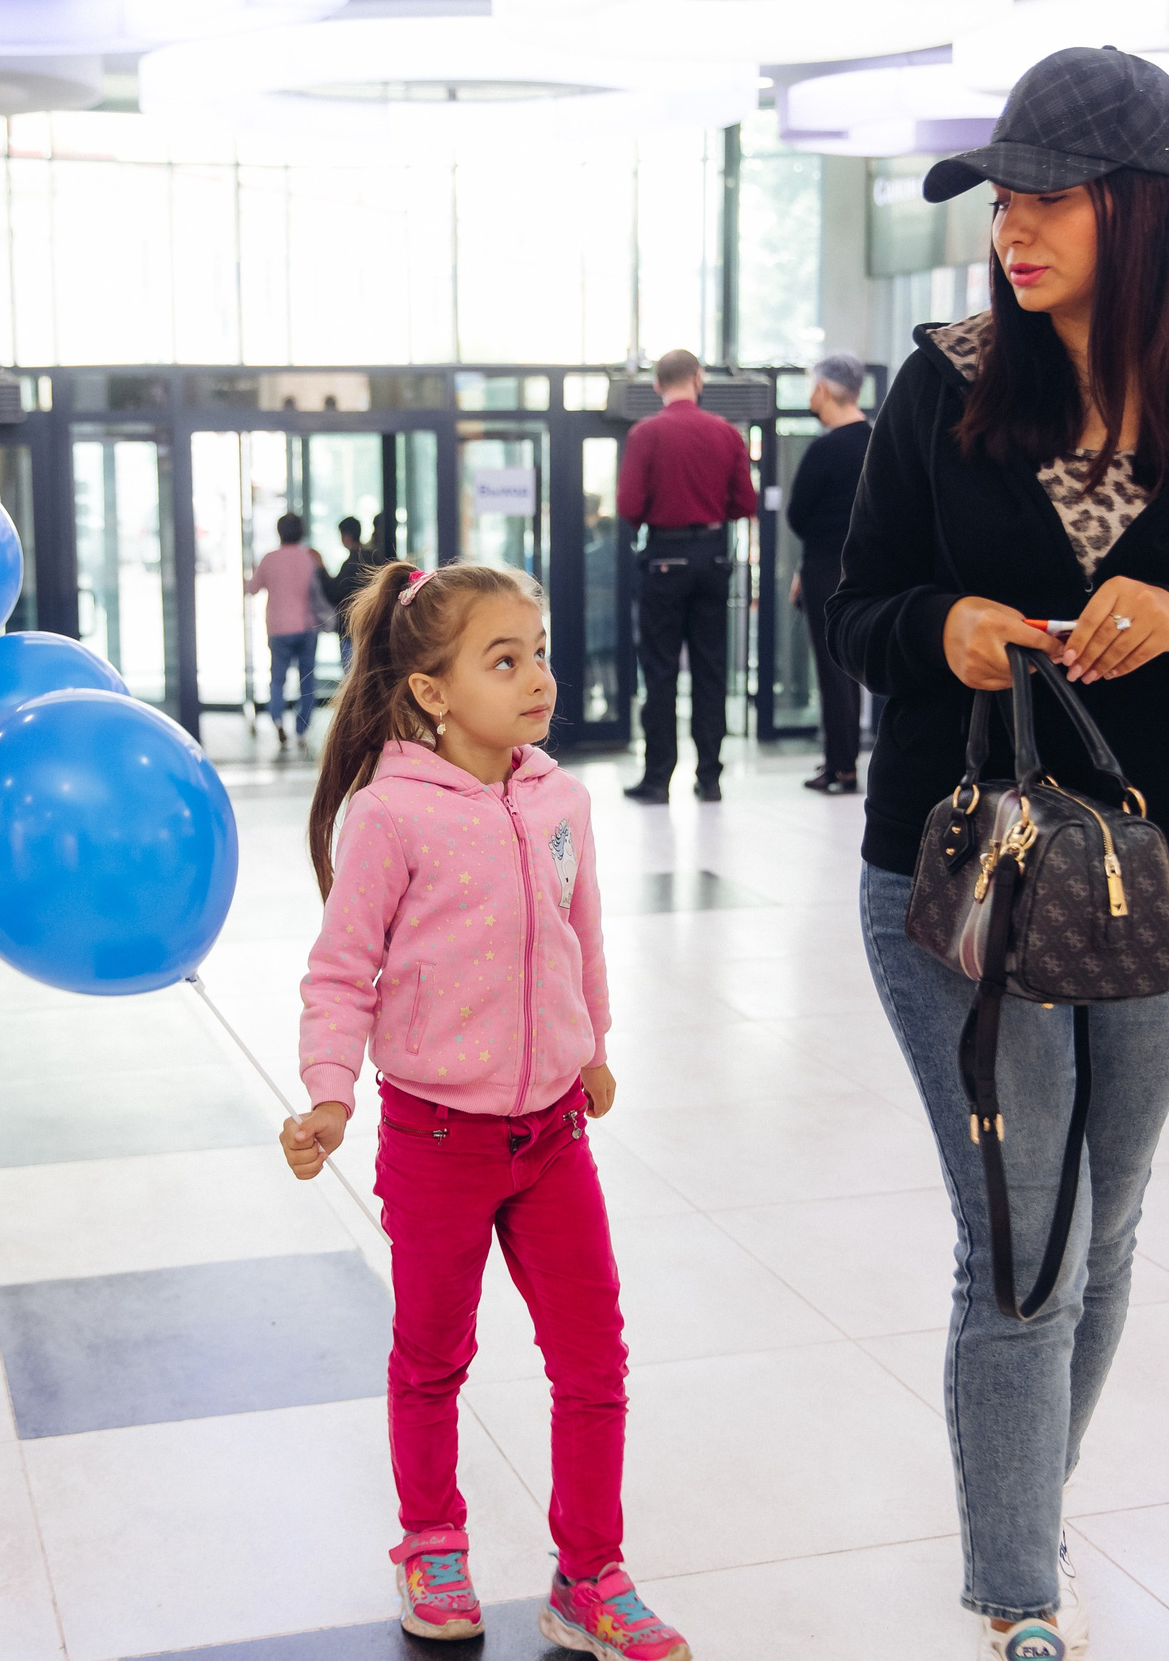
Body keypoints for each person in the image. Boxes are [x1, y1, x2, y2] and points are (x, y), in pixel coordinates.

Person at [826, 47, 1169, 1661]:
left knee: (1102, 1225)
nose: (1014, 227)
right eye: (1003, 197)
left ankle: (1023, 1508)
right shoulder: (949, 377)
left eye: (1049, 196)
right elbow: (856, 616)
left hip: (1159, 876)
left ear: (1143, 208)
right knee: (1022, 1233)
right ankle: (1019, 1596)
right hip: (956, 862)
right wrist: (953, 629)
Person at [278, 561, 691, 1661]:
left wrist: (592, 1047)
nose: (536, 678)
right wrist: (329, 1098)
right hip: (435, 1142)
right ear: (429, 690)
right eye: (502, 661)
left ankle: (589, 1574)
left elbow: (579, 931)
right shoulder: (389, 815)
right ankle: (431, 1541)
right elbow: (341, 974)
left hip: (553, 1136)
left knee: (592, 1358)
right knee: (430, 1356)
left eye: (541, 651)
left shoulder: (558, 799)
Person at [617, 348, 756, 803]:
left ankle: (658, 778)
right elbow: (745, 505)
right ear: (699, 379)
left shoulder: (645, 434)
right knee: (710, 670)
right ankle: (709, 777)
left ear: (657, 385)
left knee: (659, 671)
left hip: (664, 558)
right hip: (714, 559)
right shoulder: (725, 433)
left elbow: (629, 507)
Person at [787, 352, 872, 794]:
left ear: (822, 389)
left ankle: (840, 765)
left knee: (831, 667)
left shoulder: (824, 448)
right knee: (856, 667)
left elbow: (799, 516)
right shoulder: (878, 441)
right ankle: (848, 763)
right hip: (870, 568)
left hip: (826, 568)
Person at [246, 512, 324, 750]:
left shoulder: (269, 559)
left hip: (278, 628)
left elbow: (252, 588)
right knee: (307, 680)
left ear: (279, 532)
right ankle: (302, 732)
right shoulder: (309, 557)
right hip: (306, 626)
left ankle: (278, 718)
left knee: (278, 678)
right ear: (301, 532)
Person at [325, 513, 383, 664]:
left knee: (353, 677)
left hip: (351, 630)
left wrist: (321, 572)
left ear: (346, 537)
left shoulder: (350, 563)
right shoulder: (374, 557)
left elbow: (336, 594)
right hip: (373, 627)